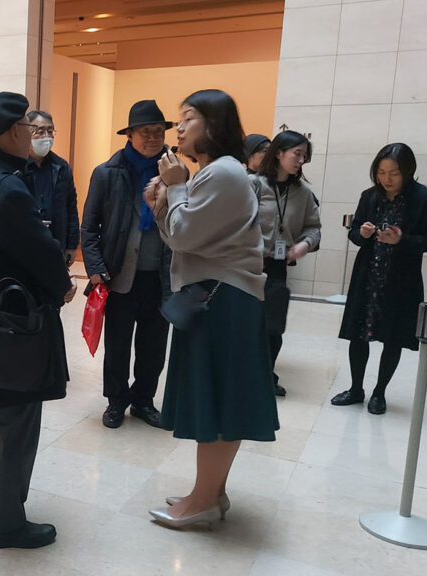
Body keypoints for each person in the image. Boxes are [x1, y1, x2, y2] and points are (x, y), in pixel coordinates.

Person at [143, 89, 279, 529]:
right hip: (217, 296)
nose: (177, 128)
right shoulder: (212, 173)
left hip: (224, 299)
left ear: (214, 125)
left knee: (219, 404)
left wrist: (175, 187)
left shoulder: (220, 173)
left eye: (188, 119)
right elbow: (182, 234)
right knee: (219, 400)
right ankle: (209, 493)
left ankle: (203, 500)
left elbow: (182, 237)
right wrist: (163, 202)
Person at [0, 92, 76, 549]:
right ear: (10, 133)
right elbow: (39, 250)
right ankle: (5, 525)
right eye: (28, 127)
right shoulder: (8, 185)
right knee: (17, 422)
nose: (34, 135)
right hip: (12, 325)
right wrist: (62, 284)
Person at [81, 100, 173, 430]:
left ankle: (144, 400)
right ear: (130, 134)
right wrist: (94, 267)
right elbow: (89, 228)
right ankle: (117, 401)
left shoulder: (173, 174)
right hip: (119, 275)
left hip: (161, 276)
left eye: (159, 132)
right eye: (146, 132)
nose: (153, 138)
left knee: (154, 347)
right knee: (118, 345)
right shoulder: (107, 173)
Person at [332, 143, 427, 414]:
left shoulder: (423, 199)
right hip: (368, 277)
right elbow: (355, 232)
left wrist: (402, 239)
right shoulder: (370, 196)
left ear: (407, 171)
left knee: (393, 337)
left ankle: (379, 393)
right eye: (381, 172)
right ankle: (356, 388)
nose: (386, 179)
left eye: (393, 173)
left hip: (401, 280)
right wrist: (364, 233)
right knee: (358, 335)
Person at [250, 130, 321, 397]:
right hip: (248, 265)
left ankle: (266, 374)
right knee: (246, 323)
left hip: (278, 267)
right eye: (297, 154)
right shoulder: (253, 184)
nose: (301, 160)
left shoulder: (303, 193)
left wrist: (304, 245)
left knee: (273, 326)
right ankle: (241, 374)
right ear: (279, 153)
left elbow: (313, 229)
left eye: (305, 156)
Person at [25, 111, 79, 264]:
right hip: (26, 245)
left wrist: (72, 245)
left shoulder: (61, 167)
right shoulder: (17, 168)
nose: (46, 136)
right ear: (26, 133)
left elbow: (71, 207)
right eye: (40, 131)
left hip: (56, 242)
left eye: (50, 131)